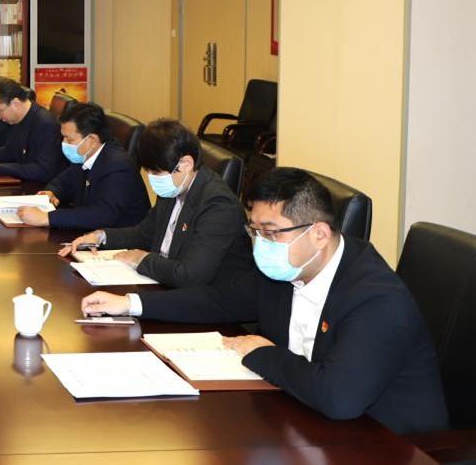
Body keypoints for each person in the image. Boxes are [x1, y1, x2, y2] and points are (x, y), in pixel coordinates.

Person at [81, 168, 448, 435]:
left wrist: (261, 353)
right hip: (304, 415)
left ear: (319, 234)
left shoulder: (375, 298)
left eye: (270, 233)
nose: (260, 244)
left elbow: (340, 398)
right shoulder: (289, 268)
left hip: (386, 440)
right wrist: (131, 304)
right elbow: (221, 301)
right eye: (254, 231)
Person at [58, 119, 251, 286]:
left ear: (185, 164)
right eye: (149, 172)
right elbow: (145, 233)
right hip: (163, 281)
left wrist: (141, 259)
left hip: (207, 298)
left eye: (157, 173)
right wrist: (100, 237)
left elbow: (190, 275)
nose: (153, 180)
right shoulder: (175, 185)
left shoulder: (218, 205)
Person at [18, 101, 148, 228]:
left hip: (118, 237)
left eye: (69, 139)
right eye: (63, 137)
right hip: (90, 231)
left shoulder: (118, 166)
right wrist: (52, 192)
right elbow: (64, 180)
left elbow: (102, 214)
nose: (64, 143)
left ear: (92, 139)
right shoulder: (85, 155)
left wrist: (47, 218)